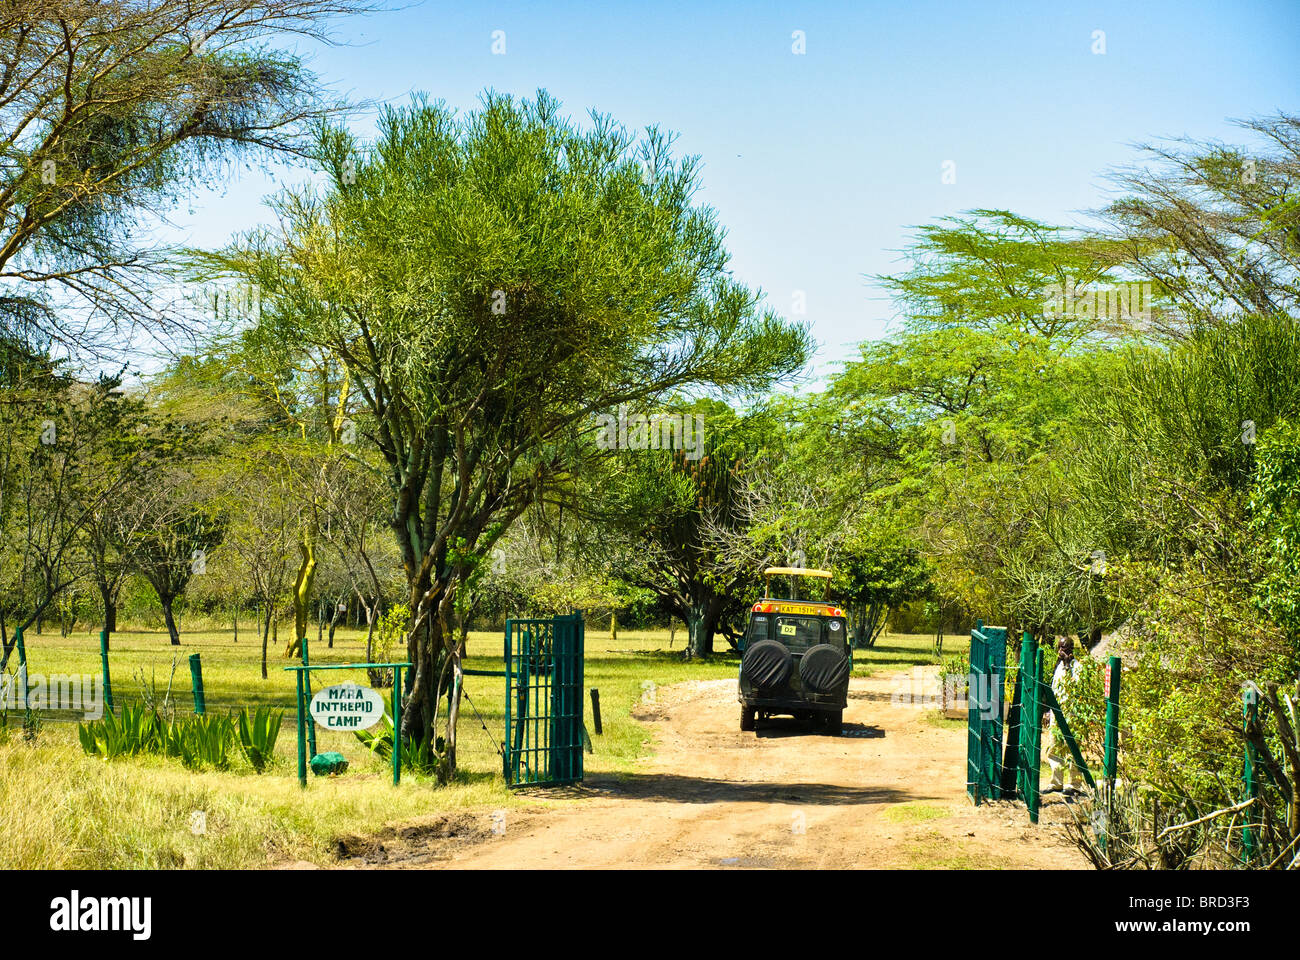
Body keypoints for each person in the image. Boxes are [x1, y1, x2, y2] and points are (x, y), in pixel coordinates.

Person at [1043, 635, 1084, 796]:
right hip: (1056, 712)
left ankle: (1075, 785)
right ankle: (1056, 783)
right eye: (1059, 648)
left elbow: (1074, 687)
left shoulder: (1077, 667)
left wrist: (1068, 664)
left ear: (1071, 650)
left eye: (1064, 648)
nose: (1061, 651)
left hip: (1072, 713)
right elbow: (1054, 689)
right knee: (1054, 747)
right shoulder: (1058, 666)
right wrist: (1048, 711)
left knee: (1073, 748)